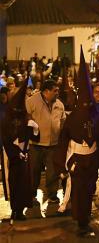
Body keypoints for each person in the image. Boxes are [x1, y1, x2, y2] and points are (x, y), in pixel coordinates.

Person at [54, 48, 99, 236]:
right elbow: (64, 139)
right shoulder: (73, 118)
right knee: (78, 191)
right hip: (77, 161)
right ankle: (80, 220)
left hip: (92, 161)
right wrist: (61, 163)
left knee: (89, 190)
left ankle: (85, 218)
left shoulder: (97, 116)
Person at [1, 78, 39, 221]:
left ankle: (21, 210)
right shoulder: (6, 119)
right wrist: (16, 153)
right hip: (12, 155)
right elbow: (5, 138)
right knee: (13, 182)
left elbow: (34, 138)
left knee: (25, 182)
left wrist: (35, 129)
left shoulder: (26, 117)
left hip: (25, 155)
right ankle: (14, 209)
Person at [26, 79, 66, 204]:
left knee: (53, 171)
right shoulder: (31, 102)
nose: (57, 93)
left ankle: (52, 195)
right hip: (35, 145)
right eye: (55, 91)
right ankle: (31, 195)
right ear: (46, 91)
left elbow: (63, 121)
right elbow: (25, 118)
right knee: (34, 171)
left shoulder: (59, 104)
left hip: (53, 144)